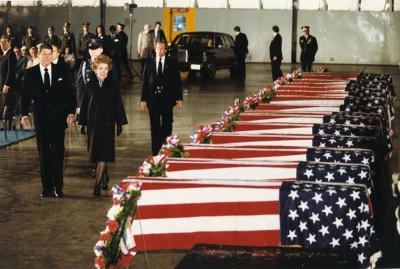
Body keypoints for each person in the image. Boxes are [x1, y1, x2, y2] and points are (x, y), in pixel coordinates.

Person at [21, 43, 76, 198]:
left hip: (59, 118)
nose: (46, 57)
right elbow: (25, 97)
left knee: (58, 152)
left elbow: (70, 93)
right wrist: (25, 115)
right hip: (41, 119)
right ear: (38, 55)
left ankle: (58, 186)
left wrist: (71, 112)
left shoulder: (62, 70)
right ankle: (47, 187)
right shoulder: (30, 73)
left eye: (49, 54)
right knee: (44, 153)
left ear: (53, 55)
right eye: (43, 54)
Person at [78, 54, 128, 196]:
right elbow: (85, 104)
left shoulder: (113, 85)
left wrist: (119, 123)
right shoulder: (89, 85)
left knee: (103, 155)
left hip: (107, 123)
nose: (103, 71)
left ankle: (97, 184)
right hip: (94, 124)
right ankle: (104, 175)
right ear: (95, 69)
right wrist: (82, 123)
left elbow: (118, 104)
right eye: (100, 68)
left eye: (106, 68)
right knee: (96, 154)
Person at [141, 41, 183, 156]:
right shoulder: (149, 63)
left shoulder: (172, 63)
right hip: (153, 99)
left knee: (167, 125)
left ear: (165, 50)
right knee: (154, 127)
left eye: (162, 49)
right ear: (155, 49)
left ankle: (166, 148)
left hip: (167, 100)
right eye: (157, 48)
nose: (159, 51)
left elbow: (177, 82)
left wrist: (179, 99)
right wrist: (143, 99)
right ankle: (155, 151)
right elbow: (145, 82)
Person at [0, 35, 17, 125]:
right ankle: (8, 127)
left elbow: (11, 71)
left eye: (4, 42)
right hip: (2, 85)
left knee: (8, 107)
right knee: (6, 106)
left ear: (9, 42)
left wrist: (6, 85)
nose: (2, 44)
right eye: (1, 42)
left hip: (8, 86)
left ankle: (9, 128)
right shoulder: (4, 55)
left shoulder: (11, 54)